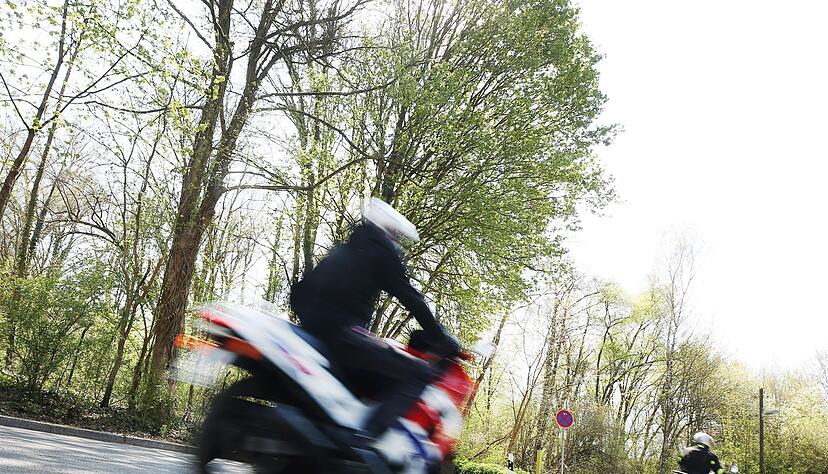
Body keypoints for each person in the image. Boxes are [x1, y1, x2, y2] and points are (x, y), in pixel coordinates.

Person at [289, 197, 458, 440]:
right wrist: (440, 338)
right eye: (396, 235)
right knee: (419, 373)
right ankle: (366, 441)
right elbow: (410, 297)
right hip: (342, 337)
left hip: (314, 334)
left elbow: (301, 292)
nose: (397, 242)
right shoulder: (379, 251)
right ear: (387, 230)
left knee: (374, 362)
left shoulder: (347, 248)